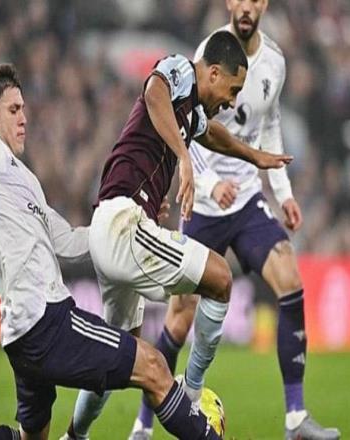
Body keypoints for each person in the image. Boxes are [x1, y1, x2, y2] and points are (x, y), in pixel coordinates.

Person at [0, 63, 228, 440]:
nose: (24, 118)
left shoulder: (20, 178)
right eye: (13, 110)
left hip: (22, 332)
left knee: (31, 437)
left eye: (24, 109)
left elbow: (67, 240)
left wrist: (127, 222)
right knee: (154, 367)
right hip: (44, 321)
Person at [61, 31, 292, 440]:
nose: (232, 102)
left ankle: (74, 436)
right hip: (122, 225)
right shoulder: (179, 70)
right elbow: (154, 92)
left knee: (118, 358)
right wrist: (184, 159)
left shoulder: (190, 114)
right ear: (213, 73)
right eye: (232, 90)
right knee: (220, 278)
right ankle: (194, 390)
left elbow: (212, 134)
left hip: (114, 225)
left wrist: (254, 156)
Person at [130, 2, 341, 440]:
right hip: (205, 207)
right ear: (229, 2)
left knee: (290, 281)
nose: (246, 6)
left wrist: (283, 193)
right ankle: (143, 426)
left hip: (246, 201)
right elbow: (190, 127)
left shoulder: (275, 62)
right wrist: (208, 185)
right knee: (179, 319)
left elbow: (269, 125)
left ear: (264, 4)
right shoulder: (208, 53)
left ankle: (296, 419)